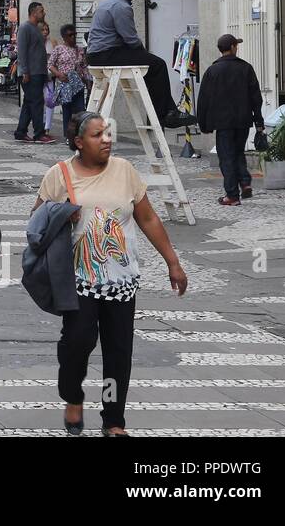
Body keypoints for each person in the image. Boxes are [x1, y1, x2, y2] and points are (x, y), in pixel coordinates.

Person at [36, 111, 188, 436]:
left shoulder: (125, 171)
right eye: (97, 135)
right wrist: (62, 217)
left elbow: (147, 219)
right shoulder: (59, 174)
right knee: (79, 342)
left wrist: (172, 261)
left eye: (107, 133)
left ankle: (113, 420)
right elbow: (37, 221)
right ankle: (74, 398)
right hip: (78, 281)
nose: (106, 139)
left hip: (121, 281)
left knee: (118, 353)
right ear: (78, 142)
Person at [86, 0, 196, 128]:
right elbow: (131, 40)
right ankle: (167, 114)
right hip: (105, 55)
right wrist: (144, 54)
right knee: (157, 64)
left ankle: (168, 111)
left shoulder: (112, 1)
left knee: (149, 64)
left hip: (99, 54)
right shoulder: (121, 7)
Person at [196, 34, 264, 205]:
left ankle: (232, 196)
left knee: (226, 157)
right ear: (233, 47)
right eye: (236, 45)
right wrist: (259, 122)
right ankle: (245, 182)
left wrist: (203, 124)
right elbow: (256, 97)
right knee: (238, 152)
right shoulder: (246, 68)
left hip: (222, 122)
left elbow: (203, 99)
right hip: (243, 120)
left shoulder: (212, 71)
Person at [14, 2, 54, 144]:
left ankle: (21, 131)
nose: (44, 13)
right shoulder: (25, 28)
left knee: (29, 102)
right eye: (41, 11)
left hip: (39, 72)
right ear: (34, 13)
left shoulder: (36, 28)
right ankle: (39, 133)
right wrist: (25, 71)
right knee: (36, 102)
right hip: (30, 73)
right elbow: (22, 51)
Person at [49, 23, 91, 140]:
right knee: (67, 110)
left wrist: (87, 81)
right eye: (69, 35)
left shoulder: (80, 50)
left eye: (74, 34)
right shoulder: (59, 49)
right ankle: (68, 136)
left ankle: (79, 134)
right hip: (65, 83)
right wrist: (58, 74)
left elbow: (83, 67)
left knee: (80, 110)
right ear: (64, 37)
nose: (72, 37)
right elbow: (50, 64)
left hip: (77, 84)